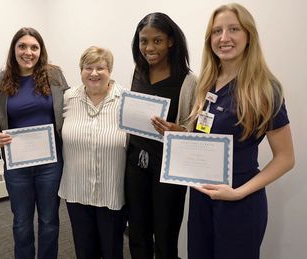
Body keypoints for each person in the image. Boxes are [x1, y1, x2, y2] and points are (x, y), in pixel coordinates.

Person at [187, 3, 295, 259]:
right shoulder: (206, 83)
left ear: (249, 36)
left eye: (233, 29)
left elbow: (286, 158)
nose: (224, 38)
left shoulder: (265, 88)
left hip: (240, 201)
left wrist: (238, 193)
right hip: (201, 198)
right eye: (216, 31)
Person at [0, 27, 69, 259]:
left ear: (41, 51)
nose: (28, 52)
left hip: (51, 164)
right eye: (22, 46)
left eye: (34, 47)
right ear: (14, 50)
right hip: (16, 164)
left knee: (49, 220)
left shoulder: (55, 75)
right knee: (21, 222)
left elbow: (71, 106)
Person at [125, 12, 197, 259]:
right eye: (144, 41)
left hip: (168, 170)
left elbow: (196, 130)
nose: (149, 47)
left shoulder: (187, 81)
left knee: (165, 236)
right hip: (135, 164)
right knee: (137, 232)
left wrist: (180, 132)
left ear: (171, 42)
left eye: (157, 40)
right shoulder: (138, 72)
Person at [58, 46, 127, 259]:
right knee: (84, 250)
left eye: (101, 68)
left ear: (110, 70)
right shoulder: (68, 98)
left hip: (111, 191)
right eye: (88, 67)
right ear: (81, 71)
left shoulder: (126, 100)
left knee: (112, 250)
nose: (94, 73)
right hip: (77, 191)